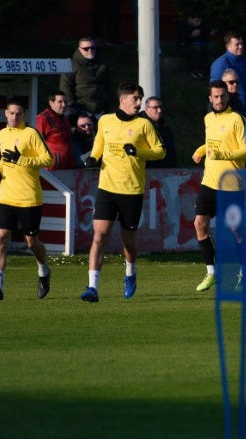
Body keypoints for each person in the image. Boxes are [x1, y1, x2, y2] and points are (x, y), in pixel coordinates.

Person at [79, 83, 166, 302]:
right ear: (123, 100)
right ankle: (92, 287)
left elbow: (160, 152)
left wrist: (138, 151)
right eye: (135, 99)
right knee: (99, 236)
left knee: (128, 242)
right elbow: (99, 145)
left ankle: (130, 273)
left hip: (132, 190)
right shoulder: (105, 121)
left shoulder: (144, 124)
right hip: (107, 188)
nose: (139, 103)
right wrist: (93, 157)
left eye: (140, 99)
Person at [0, 97, 55, 301]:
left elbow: (48, 159)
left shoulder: (31, 134)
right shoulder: (2, 134)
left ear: (25, 115)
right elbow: (5, 160)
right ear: (5, 113)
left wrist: (22, 159)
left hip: (29, 197)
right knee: (0, 237)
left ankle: (44, 270)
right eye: (11, 113)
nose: (14, 117)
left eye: (18, 114)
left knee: (31, 243)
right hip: (6, 196)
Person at [191, 81, 246, 292]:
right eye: (216, 96)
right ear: (210, 98)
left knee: (236, 231)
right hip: (210, 181)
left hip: (232, 184)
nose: (219, 100)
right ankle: (212, 272)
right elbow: (212, 143)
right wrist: (201, 149)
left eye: (223, 96)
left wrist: (223, 154)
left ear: (228, 97)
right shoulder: (208, 118)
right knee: (199, 223)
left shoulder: (237, 119)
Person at [60, 37, 112, 116]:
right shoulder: (71, 65)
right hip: (80, 110)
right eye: (86, 49)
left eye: (92, 48)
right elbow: (65, 86)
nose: (90, 51)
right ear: (79, 49)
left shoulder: (102, 64)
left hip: (101, 110)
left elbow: (109, 86)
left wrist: (108, 105)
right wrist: (72, 106)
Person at [210, 32, 246, 117]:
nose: (241, 47)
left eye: (242, 43)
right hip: (229, 111)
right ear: (228, 46)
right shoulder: (220, 64)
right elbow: (215, 90)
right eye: (237, 44)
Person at [36, 91, 73, 169]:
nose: (64, 105)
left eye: (65, 102)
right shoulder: (42, 118)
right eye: (60, 102)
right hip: (50, 170)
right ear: (51, 103)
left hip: (66, 168)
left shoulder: (64, 119)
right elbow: (36, 143)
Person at [142, 96, 177, 168]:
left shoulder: (165, 126)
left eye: (160, 107)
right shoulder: (139, 125)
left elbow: (170, 150)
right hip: (145, 170)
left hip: (164, 170)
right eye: (155, 107)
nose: (159, 110)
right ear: (146, 109)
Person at [178, 12, 211, 79]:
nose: (198, 23)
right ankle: (193, 70)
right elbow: (180, 41)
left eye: (200, 21)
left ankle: (203, 70)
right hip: (184, 47)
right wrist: (191, 36)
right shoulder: (183, 26)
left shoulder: (200, 26)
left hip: (199, 45)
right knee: (196, 49)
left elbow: (205, 36)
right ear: (190, 19)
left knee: (206, 48)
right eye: (196, 21)